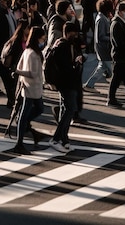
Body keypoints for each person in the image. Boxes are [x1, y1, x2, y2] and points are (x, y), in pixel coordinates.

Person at [49, 22, 85, 153]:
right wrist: (75, 65)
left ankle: (64, 139)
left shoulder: (65, 44)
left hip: (66, 82)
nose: (76, 36)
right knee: (70, 109)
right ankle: (56, 138)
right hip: (66, 82)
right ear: (69, 33)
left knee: (66, 109)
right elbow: (66, 67)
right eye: (74, 33)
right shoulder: (63, 46)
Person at [12, 27, 47, 155]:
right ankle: (19, 141)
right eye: (42, 38)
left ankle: (25, 127)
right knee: (30, 111)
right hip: (32, 87)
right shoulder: (33, 53)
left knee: (36, 109)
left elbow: (19, 66)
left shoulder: (27, 51)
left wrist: (18, 72)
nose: (43, 40)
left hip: (30, 86)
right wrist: (18, 72)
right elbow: (32, 73)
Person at [83, 0, 113, 94]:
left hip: (102, 47)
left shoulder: (101, 17)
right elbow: (101, 36)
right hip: (103, 48)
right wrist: (111, 38)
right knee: (109, 68)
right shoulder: (101, 19)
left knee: (102, 67)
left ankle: (89, 84)